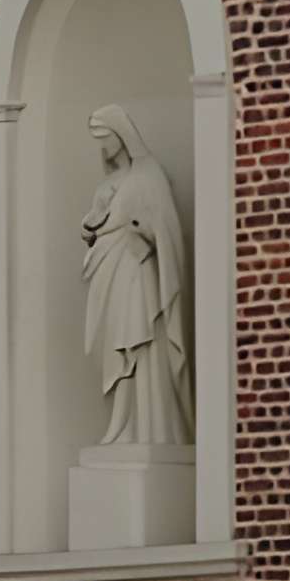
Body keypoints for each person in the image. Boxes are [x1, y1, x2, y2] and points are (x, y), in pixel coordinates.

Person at [80, 105, 194, 446]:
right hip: (113, 276)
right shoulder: (108, 184)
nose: (103, 147)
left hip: (141, 274)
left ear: (121, 135)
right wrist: (93, 226)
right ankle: (123, 426)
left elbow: (166, 231)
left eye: (106, 138)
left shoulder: (148, 176)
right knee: (118, 346)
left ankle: (154, 427)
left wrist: (145, 234)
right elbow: (93, 226)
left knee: (143, 344)